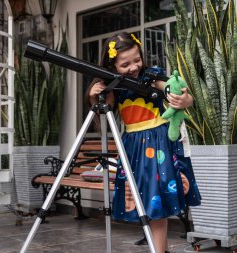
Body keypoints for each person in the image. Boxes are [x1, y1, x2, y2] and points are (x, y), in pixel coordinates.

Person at [85, 32, 201, 253]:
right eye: (125, 64)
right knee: (145, 203)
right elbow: (105, 108)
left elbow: (176, 91)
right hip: (133, 146)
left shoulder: (150, 76)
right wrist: (94, 96)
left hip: (158, 143)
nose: (133, 67)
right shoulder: (114, 84)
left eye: (136, 60)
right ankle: (162, 249)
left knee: (156, 203)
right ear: (113, 66)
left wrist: (184, 99)